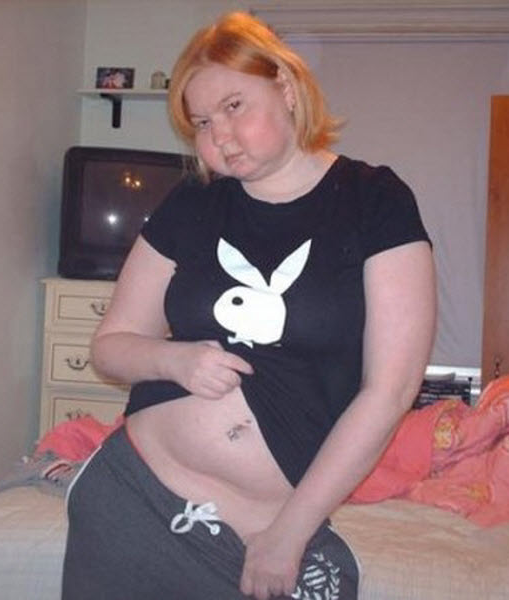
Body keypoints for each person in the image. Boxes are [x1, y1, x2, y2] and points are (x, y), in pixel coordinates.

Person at [61, 11, 435, 600]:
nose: (220, 137)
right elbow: (110, 346)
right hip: (132, 495)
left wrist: (290, 533)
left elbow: (390, 391)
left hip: (267, 528)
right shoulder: (192, 203)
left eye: (234, 106)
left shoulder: (375, 201)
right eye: (202, 123)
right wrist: (174, 360)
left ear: (285, 87)